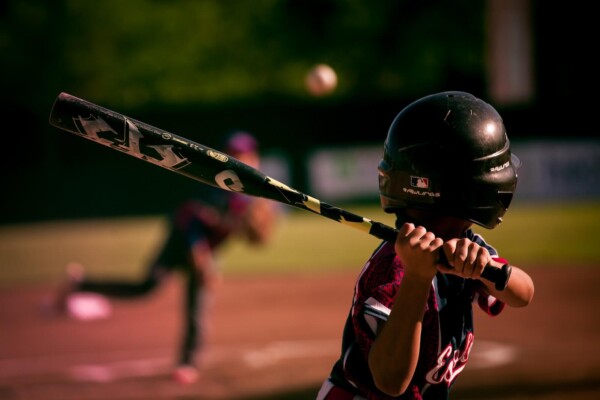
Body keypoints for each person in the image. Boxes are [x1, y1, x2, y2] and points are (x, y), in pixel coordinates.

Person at [316, 91, 535, 400]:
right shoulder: (390, 270)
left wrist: (485, 269)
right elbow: (391, 381)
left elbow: (523, 294)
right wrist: (417, 278)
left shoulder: (466, 245)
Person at [55, 130, 279, 384]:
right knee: (146, 286)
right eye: (236, 153)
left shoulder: (254, 193)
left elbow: (253, 235)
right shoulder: (214, 183)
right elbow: (191, 217)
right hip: (180, 240)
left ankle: (188, 362)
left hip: (208, 249)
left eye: (247, 154)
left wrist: (254, 227)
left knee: (197, 304)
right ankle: (84, 284)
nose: (242, 158)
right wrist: (200, 253)